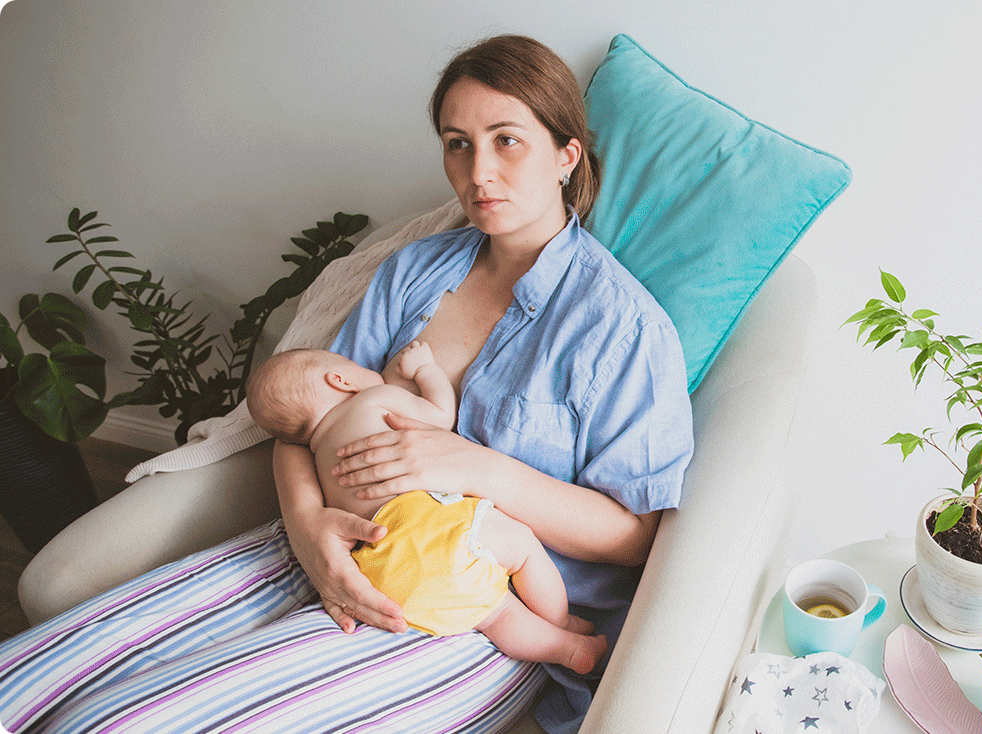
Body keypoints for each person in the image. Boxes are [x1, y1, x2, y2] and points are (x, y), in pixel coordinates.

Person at [0, 34, 693, 734]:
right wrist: (310, 533)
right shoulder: (412, 271)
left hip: (472, 610)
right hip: (333, 540)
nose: (478, 170)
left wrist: (474, 465)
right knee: (24, 690)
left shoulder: (621, 328)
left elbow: (633, 533)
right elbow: (303, 425)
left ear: (565, 155)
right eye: (457, 143)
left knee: (107, 723)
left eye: (506, 140)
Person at [246, 344, 608, 675]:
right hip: (432, 527)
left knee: (494, 614)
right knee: (523, 549)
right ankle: (561, 623)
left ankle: (567, 650)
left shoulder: (315, 454)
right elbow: (438, 416)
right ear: (340, 380)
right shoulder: (372, 399)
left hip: (384, 572)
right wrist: (425, 370)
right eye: (352, 364)